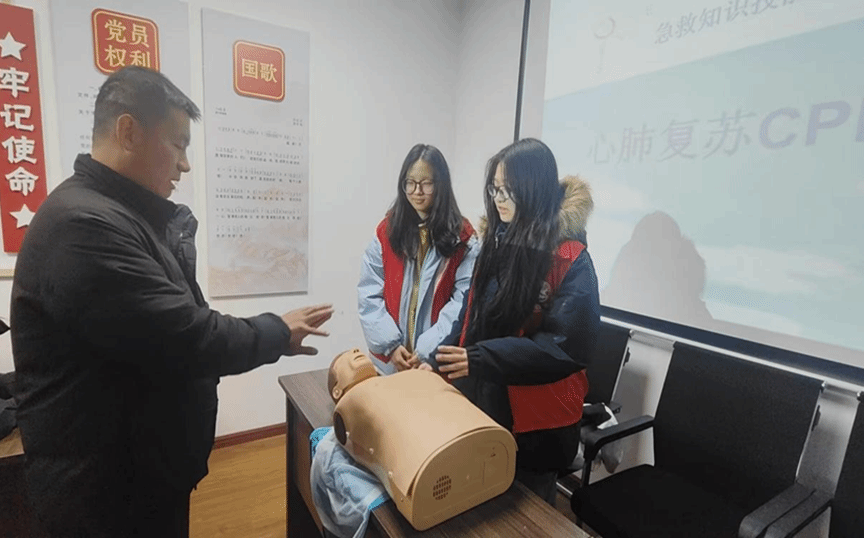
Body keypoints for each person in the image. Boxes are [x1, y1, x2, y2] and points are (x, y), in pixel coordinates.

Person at [10, 66, 333, 538]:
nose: (185, 165)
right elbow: (186, 335)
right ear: (128, 132)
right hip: (104, 495)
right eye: (178, 145)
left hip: (137, 475)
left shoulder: (120, 215)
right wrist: (277, 332)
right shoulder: (83, 227)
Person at [436, 138, 601, 505]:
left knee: (527, 513)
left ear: (534, 188)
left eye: (508, 189)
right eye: (494, 189)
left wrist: (480, 358)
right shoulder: (496, 242)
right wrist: (435, 360)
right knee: (478, 502)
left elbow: (563, 349)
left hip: (536, 425)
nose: (499, 199)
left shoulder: (569, 257)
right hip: (484, 403)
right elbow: (470, 315)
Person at [358, 144, 478, 374]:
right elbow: (368, 293)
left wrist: (426, 351)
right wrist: (391, 346)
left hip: (434, 366)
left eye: (426, 183)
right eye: (410, 183)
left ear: (441, 185)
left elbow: (461, 304)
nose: (417, 191)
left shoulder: (463, 239)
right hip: (390, 363)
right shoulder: (386, 232)